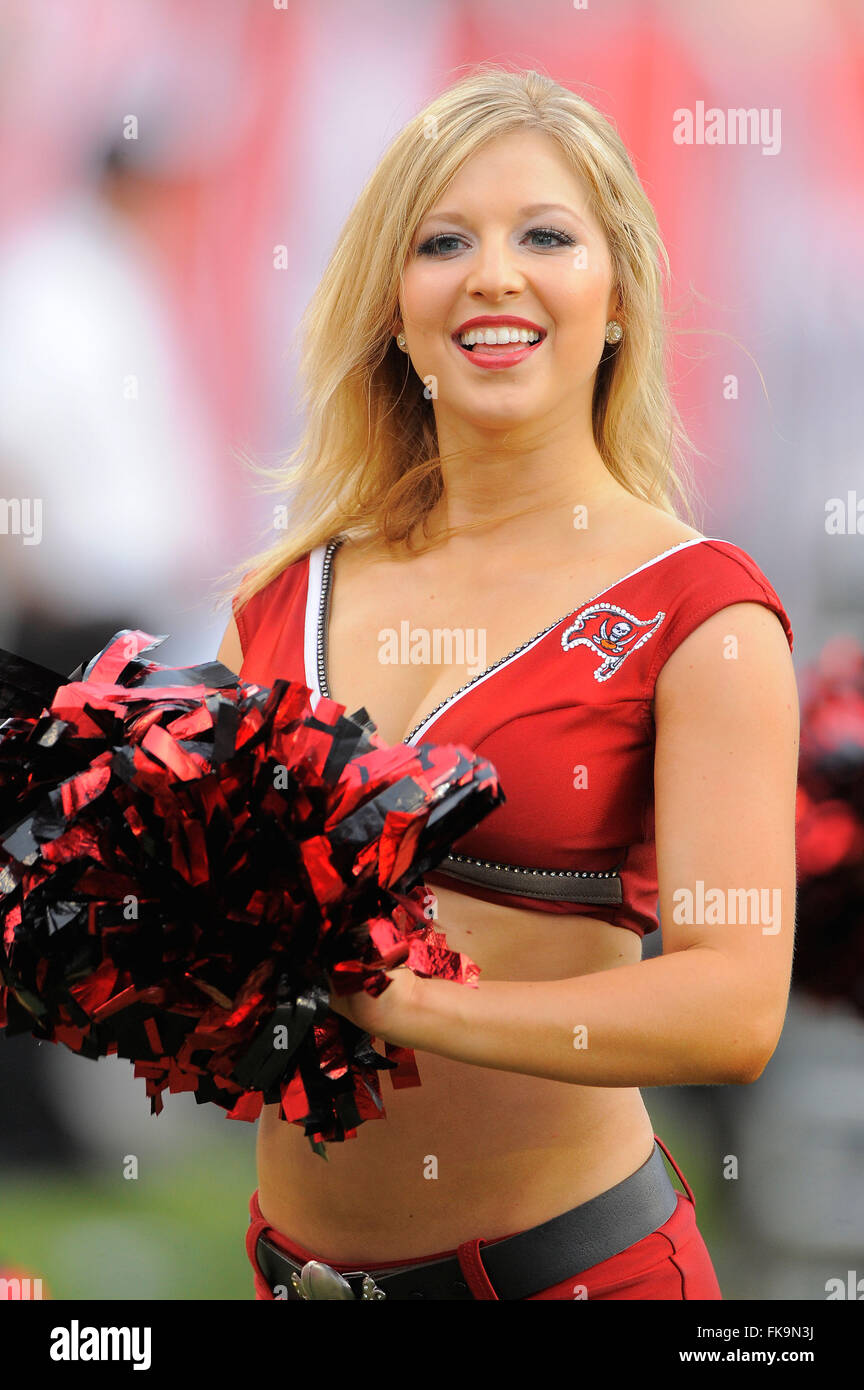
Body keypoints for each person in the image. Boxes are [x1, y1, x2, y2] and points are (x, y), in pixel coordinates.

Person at [215, 65, 799, 1300]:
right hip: (284, 1274)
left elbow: (735, 1010)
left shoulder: (701, 609)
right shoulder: (284, 595)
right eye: (442, 241)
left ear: (620, 293)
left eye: (545, 234)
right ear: (393, 303)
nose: (493, 274)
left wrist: (411, 1005)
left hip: (576, 1281)